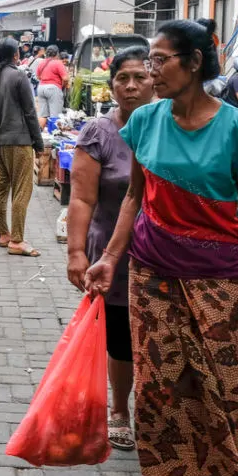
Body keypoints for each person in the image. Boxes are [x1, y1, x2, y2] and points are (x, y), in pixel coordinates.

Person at [85, 18, 238, 476]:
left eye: (161, 60)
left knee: (227, 384)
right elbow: (133, 198)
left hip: (219, 280)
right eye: (149, 60)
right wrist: (110, 258)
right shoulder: (144, 120)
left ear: (194, 62)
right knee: (159, 382)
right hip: (152, 276)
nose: (151, 70)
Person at [67, 46, 154, 451]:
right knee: (121, 335)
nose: (132, 86)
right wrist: (76, 251)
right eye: (123, 78)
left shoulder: (169, 126)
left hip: (163, 252)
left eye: (140, 77)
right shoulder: (98, 133)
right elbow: (82, 198)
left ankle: (156, 409)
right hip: (110, 253)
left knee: (155, 335)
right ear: (112, 84)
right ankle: (120, 408)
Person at [0, 38, 45, 256]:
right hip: (19, 143)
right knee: (21, 190)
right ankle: (17, 240)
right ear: (16, 55)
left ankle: (3, 234)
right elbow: (30, 113)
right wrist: (39, 143)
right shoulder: (19, 76)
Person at [35, 45, 69, 128]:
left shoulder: (42, 62)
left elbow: (38, 77)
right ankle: (54, 135)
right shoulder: (57, 63)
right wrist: (62, 86)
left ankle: (39, 135)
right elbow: (65, 78)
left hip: (41, 88)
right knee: (55, 115)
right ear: (57, 54)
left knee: (43, 114)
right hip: (53, 88)